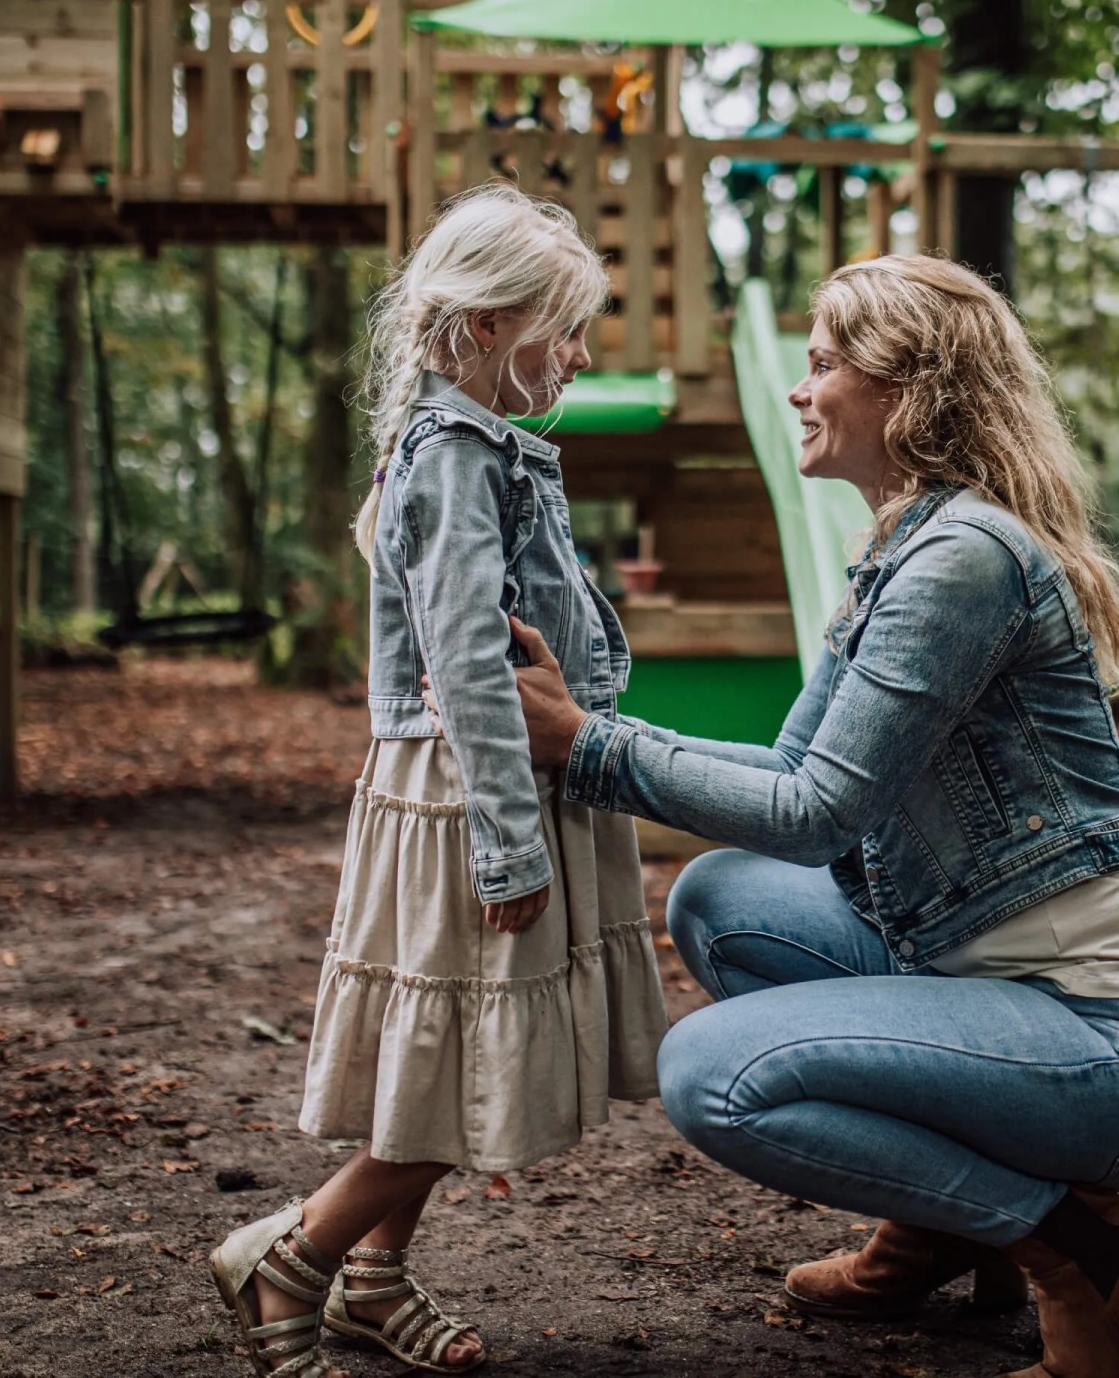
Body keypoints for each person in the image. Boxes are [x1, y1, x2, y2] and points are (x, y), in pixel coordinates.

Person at [506, 255, 1119, 1378]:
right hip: (1000, 986)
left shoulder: (964, 559)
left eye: (825, 364)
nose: (801, 391)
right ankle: (947, 1221)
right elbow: (797, 770)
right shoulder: (907, 545)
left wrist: (590, 747)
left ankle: (1078, 1249)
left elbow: (816, 812)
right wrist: (600, 730)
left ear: (911, 390)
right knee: (723, 900)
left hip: (1117, 1045)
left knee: (714, 1078)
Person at [210, 185, 669, 1378]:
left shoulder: (476, 444)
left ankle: (373, 1279)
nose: (576, 356)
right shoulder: (454, 456)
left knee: (447, 1054)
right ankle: (293, 1261)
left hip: (498, 780)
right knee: (465, 1064)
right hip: (475, 793)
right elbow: (464, 660)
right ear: (479, 330)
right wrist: (509, 843)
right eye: (559, 331)